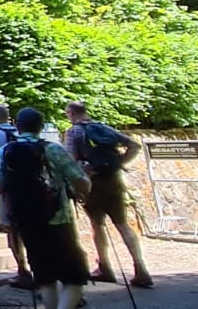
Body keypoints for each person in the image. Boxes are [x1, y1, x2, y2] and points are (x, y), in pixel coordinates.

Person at [0, 108, 91, 309]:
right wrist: (82, 188)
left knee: (45, 277)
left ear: (18, 126)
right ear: (41, 127)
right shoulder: (52, 149)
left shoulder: (5, 151)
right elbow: (81, 181)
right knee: (75, 277)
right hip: (58, 219)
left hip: (26, 221)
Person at [64, 101, 153, 287]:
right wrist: (118, 163)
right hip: (114, 181)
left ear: (71, 113)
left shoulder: (74, 132)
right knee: (123, 224)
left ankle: (105, 267)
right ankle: (141, 268)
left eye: (67, 113)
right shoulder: (103, 127)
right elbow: (134, 146)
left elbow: (71, 162)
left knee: (97, 225)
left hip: (92, 185)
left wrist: (80, 179)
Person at [0, 103, 32, 288]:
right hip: (32, 187)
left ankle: (23, 271)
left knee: (12, 230)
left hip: (10, 189)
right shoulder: (21, 132)